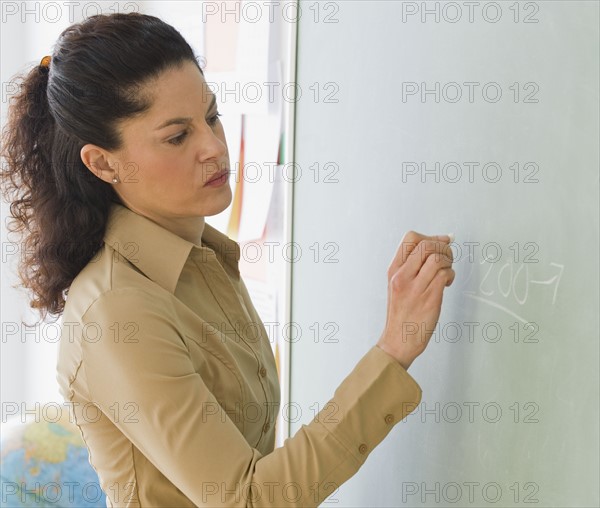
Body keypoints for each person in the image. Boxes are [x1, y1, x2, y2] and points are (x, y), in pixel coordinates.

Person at [0, 12, 455, 507]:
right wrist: (393, 351)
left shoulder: (205, 258)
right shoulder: (118, 312)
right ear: (103, 162)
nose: (214, 148)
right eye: (177, 137)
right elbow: (245, 499)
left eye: (211, 117)